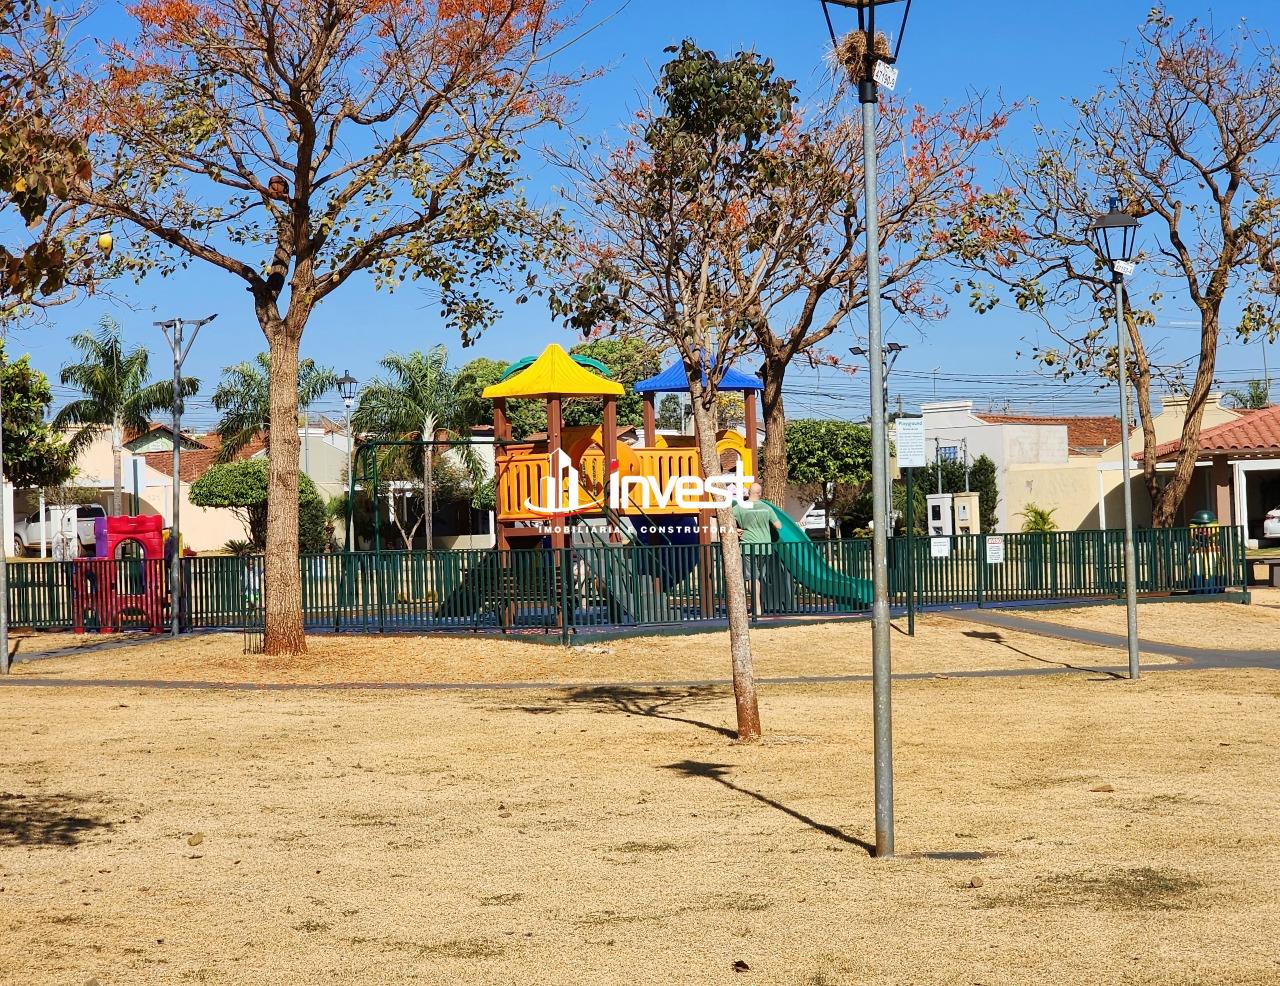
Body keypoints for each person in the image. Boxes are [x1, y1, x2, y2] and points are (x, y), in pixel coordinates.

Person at [731, 482, 781, 617]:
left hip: (748, 546)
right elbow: (778, 525)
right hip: (765, 547)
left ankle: (756, 607)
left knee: (751, 578)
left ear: (748, 493)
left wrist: (736, 529)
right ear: (760, 493)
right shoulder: (766, 508)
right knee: (758, 578)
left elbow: (726, 520)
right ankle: (757, 607)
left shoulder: (740, 507)